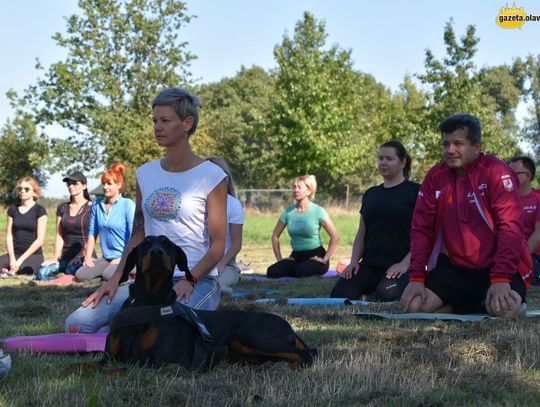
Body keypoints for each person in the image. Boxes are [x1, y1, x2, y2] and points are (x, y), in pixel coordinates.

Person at [65, 87, 227, 333]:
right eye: (154, 121)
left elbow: (218, 245)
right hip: (148, 280)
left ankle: (127, 333)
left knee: (165, 329)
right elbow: (139, 234)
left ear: (187, 123)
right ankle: (120, 333)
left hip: (198, 280)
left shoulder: (212, 176)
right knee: (77, 325)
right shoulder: (145, 173)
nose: (157, 127)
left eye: (165, 120)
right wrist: (115, 278)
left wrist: (189, 279)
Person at [400, 113, 532, 319]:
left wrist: (500, 278)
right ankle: (466, 304)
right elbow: (421, 228)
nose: (450, 150)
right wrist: (416, 276)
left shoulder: (496, 171)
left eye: (458, 144)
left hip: (495, 268)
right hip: (455, 269)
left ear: (476, 147)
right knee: (413, 307)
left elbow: (511, 227)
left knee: (506, 312)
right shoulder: (435, 176)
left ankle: (479, 302)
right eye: (446, 144)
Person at [330, 141, 420, 301]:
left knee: (385, 295)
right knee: (339, 295)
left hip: (400, 265)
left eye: (389, 159)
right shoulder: (371, 194)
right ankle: (368, 290)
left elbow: (424, 235)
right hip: (370, 265)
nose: (383, 162)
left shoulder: (415, 192)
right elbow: (361, 233)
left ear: (403, 162)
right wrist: (353, 262)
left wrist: (405, 264)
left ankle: (375, 291)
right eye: (380, 158)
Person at [267, 175, 340, 278]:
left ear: (309, 191)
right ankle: (295, 268)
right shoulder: (288, 212)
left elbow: (335, 236)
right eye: (294, 187)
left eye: (299, 187)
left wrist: (325, 259)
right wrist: (280, 260)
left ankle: (308, 267)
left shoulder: (318, 211)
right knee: (272, 272)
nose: (295, 190)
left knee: (302, 271)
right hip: (296, 257)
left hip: (316, 256)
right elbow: (275, 235)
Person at [75, 163, 135, 282]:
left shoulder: (127, 205)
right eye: (104, 183)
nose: (105, 187)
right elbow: (92, 232)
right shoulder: (97, 204)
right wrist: (87, 256)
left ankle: (131, 273)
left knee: (109, 275)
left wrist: (123, 258)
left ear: (119, 185)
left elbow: (133, 235)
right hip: (107, 258)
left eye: (109, 184)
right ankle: (112, 273)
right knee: (81, 275)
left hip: (126, 257)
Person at [35, 171, 93, 281]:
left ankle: (67, 277)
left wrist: (83, 255)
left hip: (83, 256)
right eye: (68, 184)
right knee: (41, 272)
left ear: (84, 186)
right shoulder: (62, 208)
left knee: (70, 270)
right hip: (65, 257)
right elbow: (59, 235)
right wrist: (56, 258)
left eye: (75, 183)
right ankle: (61, 279)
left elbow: (94, 235)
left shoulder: (92, 207)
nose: (71, 186)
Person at [206, 156, 244, 294]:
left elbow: (236, 244)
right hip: (199, 264)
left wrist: (220, 265)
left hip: (226, 264)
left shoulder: (233, 204)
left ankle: (232, 278)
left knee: (216, 289)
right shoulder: (195, 203)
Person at [0, 177, 47, 277]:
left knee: (26, 271)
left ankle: (10, 270)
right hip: (15, 254)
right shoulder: (12, 210)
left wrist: (20, 261)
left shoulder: (40, 210)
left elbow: (40, 240)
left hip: (33, 255)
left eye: (26, 189)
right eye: (20, 189)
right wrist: (12, 259)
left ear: (34, 192)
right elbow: (9, 236)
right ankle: (9, 269)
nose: (22, 191)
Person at [509, 156, 540, 286]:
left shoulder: (538, 198)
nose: (509, 177)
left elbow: (539, 233)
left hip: (531, 257)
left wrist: (520, 257)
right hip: (507, 254)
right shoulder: (505, 198)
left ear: (528, 175)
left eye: (513, 174)